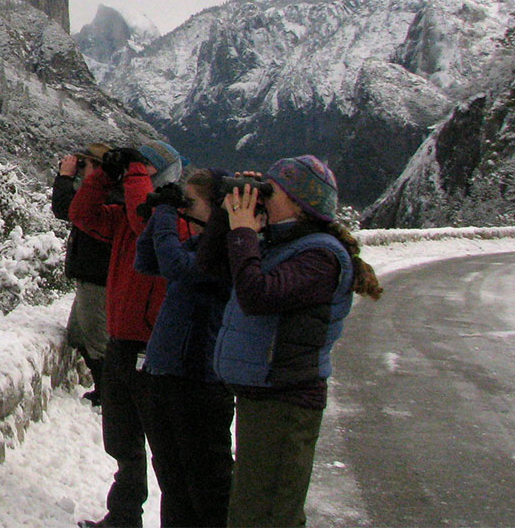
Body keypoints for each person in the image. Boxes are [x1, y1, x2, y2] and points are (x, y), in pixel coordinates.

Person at [201, 156, 383, 527]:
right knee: (252, 508)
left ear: (300, 205)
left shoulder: (320, 257)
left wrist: (244, 233)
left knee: (268, 514)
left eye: (272, 190)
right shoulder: (282, 244)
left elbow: (257, 296)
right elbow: (211, 266)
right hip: (263, 393)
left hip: (286, 399)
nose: (264, 196)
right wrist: (227, 215)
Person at [70, 139, 184, 528]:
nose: (136, 177)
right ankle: (123, 518)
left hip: (154, 350)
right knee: (123, 442)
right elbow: (82, 214)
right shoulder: (124, 217)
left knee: (167, 452)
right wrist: (103, 172)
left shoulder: (176, 222)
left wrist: (135, 172)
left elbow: (145, 222)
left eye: (145, 172)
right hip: (122, 343)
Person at [134, 169, 234, 528]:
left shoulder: (225, 254)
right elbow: (145, 261)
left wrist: (164, 217)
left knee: (206, 491)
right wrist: (158, 216)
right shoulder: (196, 247)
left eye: (189, 204)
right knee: (174, 487)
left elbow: (176, 267)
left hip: (198, 383)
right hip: (166, 378)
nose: (183, 211)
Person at [52, 143, 113, 405]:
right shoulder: (106, 193)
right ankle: (105, 391)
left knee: (97, 338)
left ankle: (109, 396)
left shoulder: (104, 196)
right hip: (91, 276)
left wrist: (66, 177)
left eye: (85, 165)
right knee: (78, 334)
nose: (81, 170)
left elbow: (65, 208)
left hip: (97, 279)